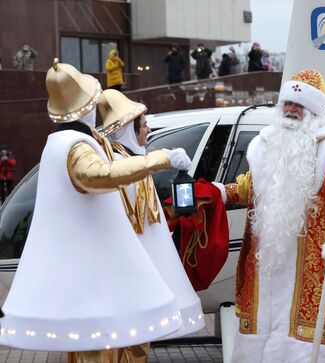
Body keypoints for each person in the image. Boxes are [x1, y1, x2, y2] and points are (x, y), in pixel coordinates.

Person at [0, 59, 194, 360]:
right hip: (91, 274)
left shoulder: (76, 141)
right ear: (86, 107)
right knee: (100, 348)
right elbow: (100, 176)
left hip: (95, 268)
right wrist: (161, 159)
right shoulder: (75, 146)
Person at [215, 69, 325, 363]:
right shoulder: (265, 143)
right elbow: (256, 183)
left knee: (301, 340)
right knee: (263, 326)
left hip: (311, 257)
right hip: (269, 256)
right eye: (287, 103)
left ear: (313, 111)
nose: (290, 110)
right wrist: (222, 193)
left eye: (298, 105)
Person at [98, 89, 205, 361]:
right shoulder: (124, 166)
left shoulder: (130, 164)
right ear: (129, 132)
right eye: (143, 125)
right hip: (124, 283)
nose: (148, 129)